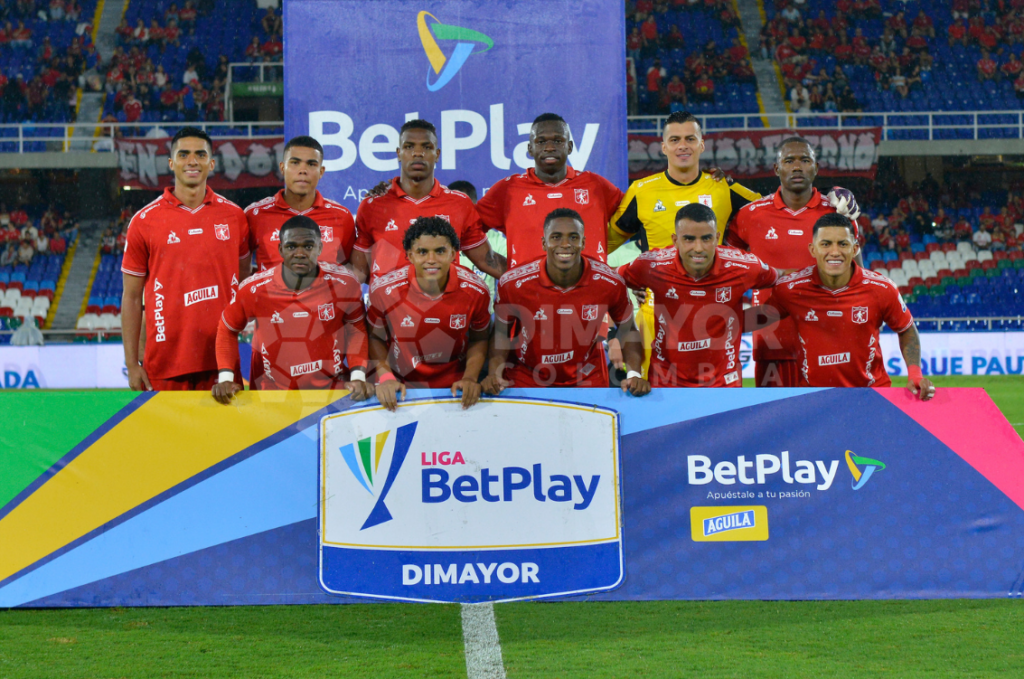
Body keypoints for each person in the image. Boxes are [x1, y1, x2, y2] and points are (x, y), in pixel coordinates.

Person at [608, 110, 762, 379]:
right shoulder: (641, 191)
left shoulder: (723, 187)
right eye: (675, 139)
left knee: (714, 399)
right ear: (663, 147)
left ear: (701, 145)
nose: (683, 145)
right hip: (656, 317)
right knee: (653, 398)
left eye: (690, 139)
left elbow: (773, 215)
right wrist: (616, 321)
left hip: (714, 317)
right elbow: (600, 247)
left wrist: (831, 202)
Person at [121, 126, 250, 391]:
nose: (192, 161)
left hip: (222, 364)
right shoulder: (144, 221)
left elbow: (244, 281)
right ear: (171, 163)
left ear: (211, 163)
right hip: (164, 364)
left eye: (200, 154)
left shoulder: (235, 217)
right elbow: (132, 297)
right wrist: (132, 363)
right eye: (183, 154)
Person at [726, 136, 860, 387]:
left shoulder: (837, 213)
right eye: (789, 161)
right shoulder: (750, 215)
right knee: (775, 413)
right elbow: (728, 268)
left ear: (816, 168)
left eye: (805, 160)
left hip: (830, 344)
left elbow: (857, 276)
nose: (797, 167)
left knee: (827, 413)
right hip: (772, 345)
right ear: (776, 169)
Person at [482, 208, 648, 394]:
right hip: (527, 376)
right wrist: (494, 374)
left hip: (587, 375)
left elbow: (628, 329)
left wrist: (634, 374)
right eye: (556, 237)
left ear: (583, 242)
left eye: (573, 237)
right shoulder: (513, 283)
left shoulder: (610, 282)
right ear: (544, 243)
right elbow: (501, 332)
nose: (565, 244)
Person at [768, 214, 935, 399]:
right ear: (812, 249)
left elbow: (906, 329)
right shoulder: (790, 289)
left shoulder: (881, 289)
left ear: (855, 249)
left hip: (872, 396)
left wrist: (915, 374)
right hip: (815, 398)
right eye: (826, 244)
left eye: (843, 244)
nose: (834, 252)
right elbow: (756, 320)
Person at [212, 215, 371, 401]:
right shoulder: (255, 289)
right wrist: (226, 378)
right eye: (291, 247)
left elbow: (356, 328)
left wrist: (358, 376)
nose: (300, 253)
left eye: (308, 246)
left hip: (331, 392)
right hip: (275, 397)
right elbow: (227, 329)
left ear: (320, 248)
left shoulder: (344, 283)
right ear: (280, 249)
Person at [617, 203, 777, 387]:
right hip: (666, 381)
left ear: (717, 238)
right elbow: (608, 282)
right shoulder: (652, 265)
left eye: (706, 238)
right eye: (689, 239)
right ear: (675, 240)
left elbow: (782, 281)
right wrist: (615, 333)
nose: (698, 248)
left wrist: (758, 317)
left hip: (724, 383)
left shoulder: (745, 266)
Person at [350, 119, 505, 283]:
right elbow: (358, 271)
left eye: (426, 147)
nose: (418, 153)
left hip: (443, 300)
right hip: (388, 300)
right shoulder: (373, 205)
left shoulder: (459, 204)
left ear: (437, 154)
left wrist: (523, 280)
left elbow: (487, 260)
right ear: (398, 153)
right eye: (409, 146)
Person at [367, 217, 491, 411]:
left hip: (456, 387)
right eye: (422, 252)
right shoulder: (384, 290)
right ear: (410, 255)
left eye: (440, 251)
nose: (431, 260)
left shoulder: (476, 291)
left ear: (453, 254)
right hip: (400, 385)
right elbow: (375, 337)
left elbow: (480, 339)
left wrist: (470, 378)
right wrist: (386, 377)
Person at [476, 112, 625, 270]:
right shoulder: (508, 190)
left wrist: (607, 272)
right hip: (528, 286)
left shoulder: (596, 186)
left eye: (557, 141)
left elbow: (632, 218)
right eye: (541, 142)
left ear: (569, 147)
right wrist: (507, 274)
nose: (549, 148)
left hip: (590, 286)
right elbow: (469, 231)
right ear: (530, 149)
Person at [244, 136, 356, 273]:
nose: (303, 170)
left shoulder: (341, 217)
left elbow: (350, 270)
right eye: (295, 163)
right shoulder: (255, 215)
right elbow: (240, 268)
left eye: (311, 164)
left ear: (321, 172)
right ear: (282, 168)